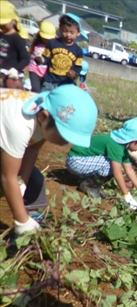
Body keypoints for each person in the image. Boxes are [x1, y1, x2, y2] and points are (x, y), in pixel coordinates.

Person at [0, 85, 98, 235]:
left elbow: (32, 149)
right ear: (43, 117)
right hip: (6, 132)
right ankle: (25, 223)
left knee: (36, 181)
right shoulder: (19, 125)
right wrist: (22, 222)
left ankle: (31, 215)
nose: (65, 143)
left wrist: (22, 183)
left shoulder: (45, 110)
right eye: (64, 136)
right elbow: (8, 177)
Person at [65, 119, 137, 210]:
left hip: (80, 160)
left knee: (115, 163)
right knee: (112, 166)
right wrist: (127, 196)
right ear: (134, 141)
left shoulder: (122, 146)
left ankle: (94, 184)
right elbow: (117, 173)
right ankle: (89, 185)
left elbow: (129, 169)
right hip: (76, 161)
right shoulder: (116, 146)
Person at [41, 13, 86, 91]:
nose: (68, 35)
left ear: (78, 33)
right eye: (65, 31)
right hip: (50, 81)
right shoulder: (52, 43)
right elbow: (45, 59)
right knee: (45, 97)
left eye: (72, 32)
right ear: (60, 28)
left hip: (67, 84)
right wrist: (40, 60)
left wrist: (74, 74)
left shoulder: (78, 51)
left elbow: (78, 67)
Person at [0, 1, 30, 88]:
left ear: (14, 21)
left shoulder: (17, 39)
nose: (1, 26)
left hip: (9, 74)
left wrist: (16, 69)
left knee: (11, 85)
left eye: (4, 23)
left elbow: (26, 58)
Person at [27, 21, 56, 93]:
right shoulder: (36, 44)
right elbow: (32, 54)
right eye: (45, 38)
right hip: (34, 71)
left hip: (46, 74)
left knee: (44, 91)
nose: (46, 40)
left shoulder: (54, 47)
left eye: (49, 39)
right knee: (36, 90)